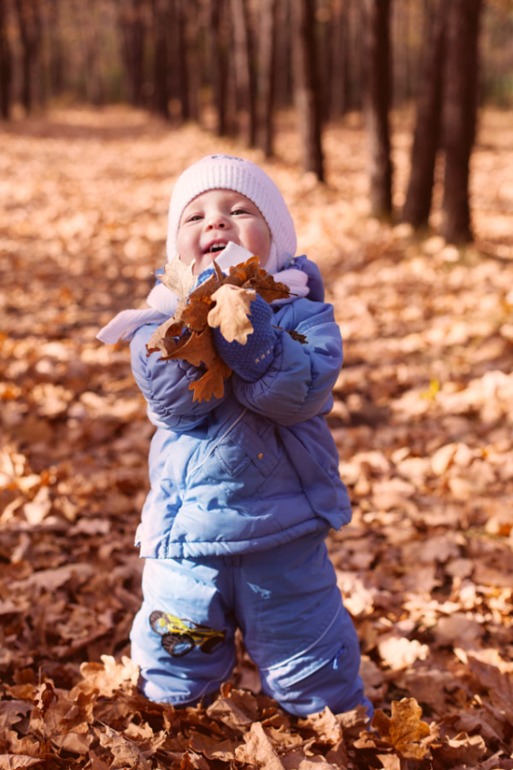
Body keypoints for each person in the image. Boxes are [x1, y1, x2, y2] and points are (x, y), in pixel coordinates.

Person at [97, 154, 372, 718]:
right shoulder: (157, 325)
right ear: (177, 252)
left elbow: (294, 394)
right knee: (175, 669)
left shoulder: (306, 317)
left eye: (238, 210)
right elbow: (173, 405)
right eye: (195, 217)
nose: (216, 223)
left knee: (314, 668)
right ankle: (171, 733)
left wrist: (252, 330)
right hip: (187, 545)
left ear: (277, 241)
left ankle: (336, 737)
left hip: (287, 540)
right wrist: (194, 319)